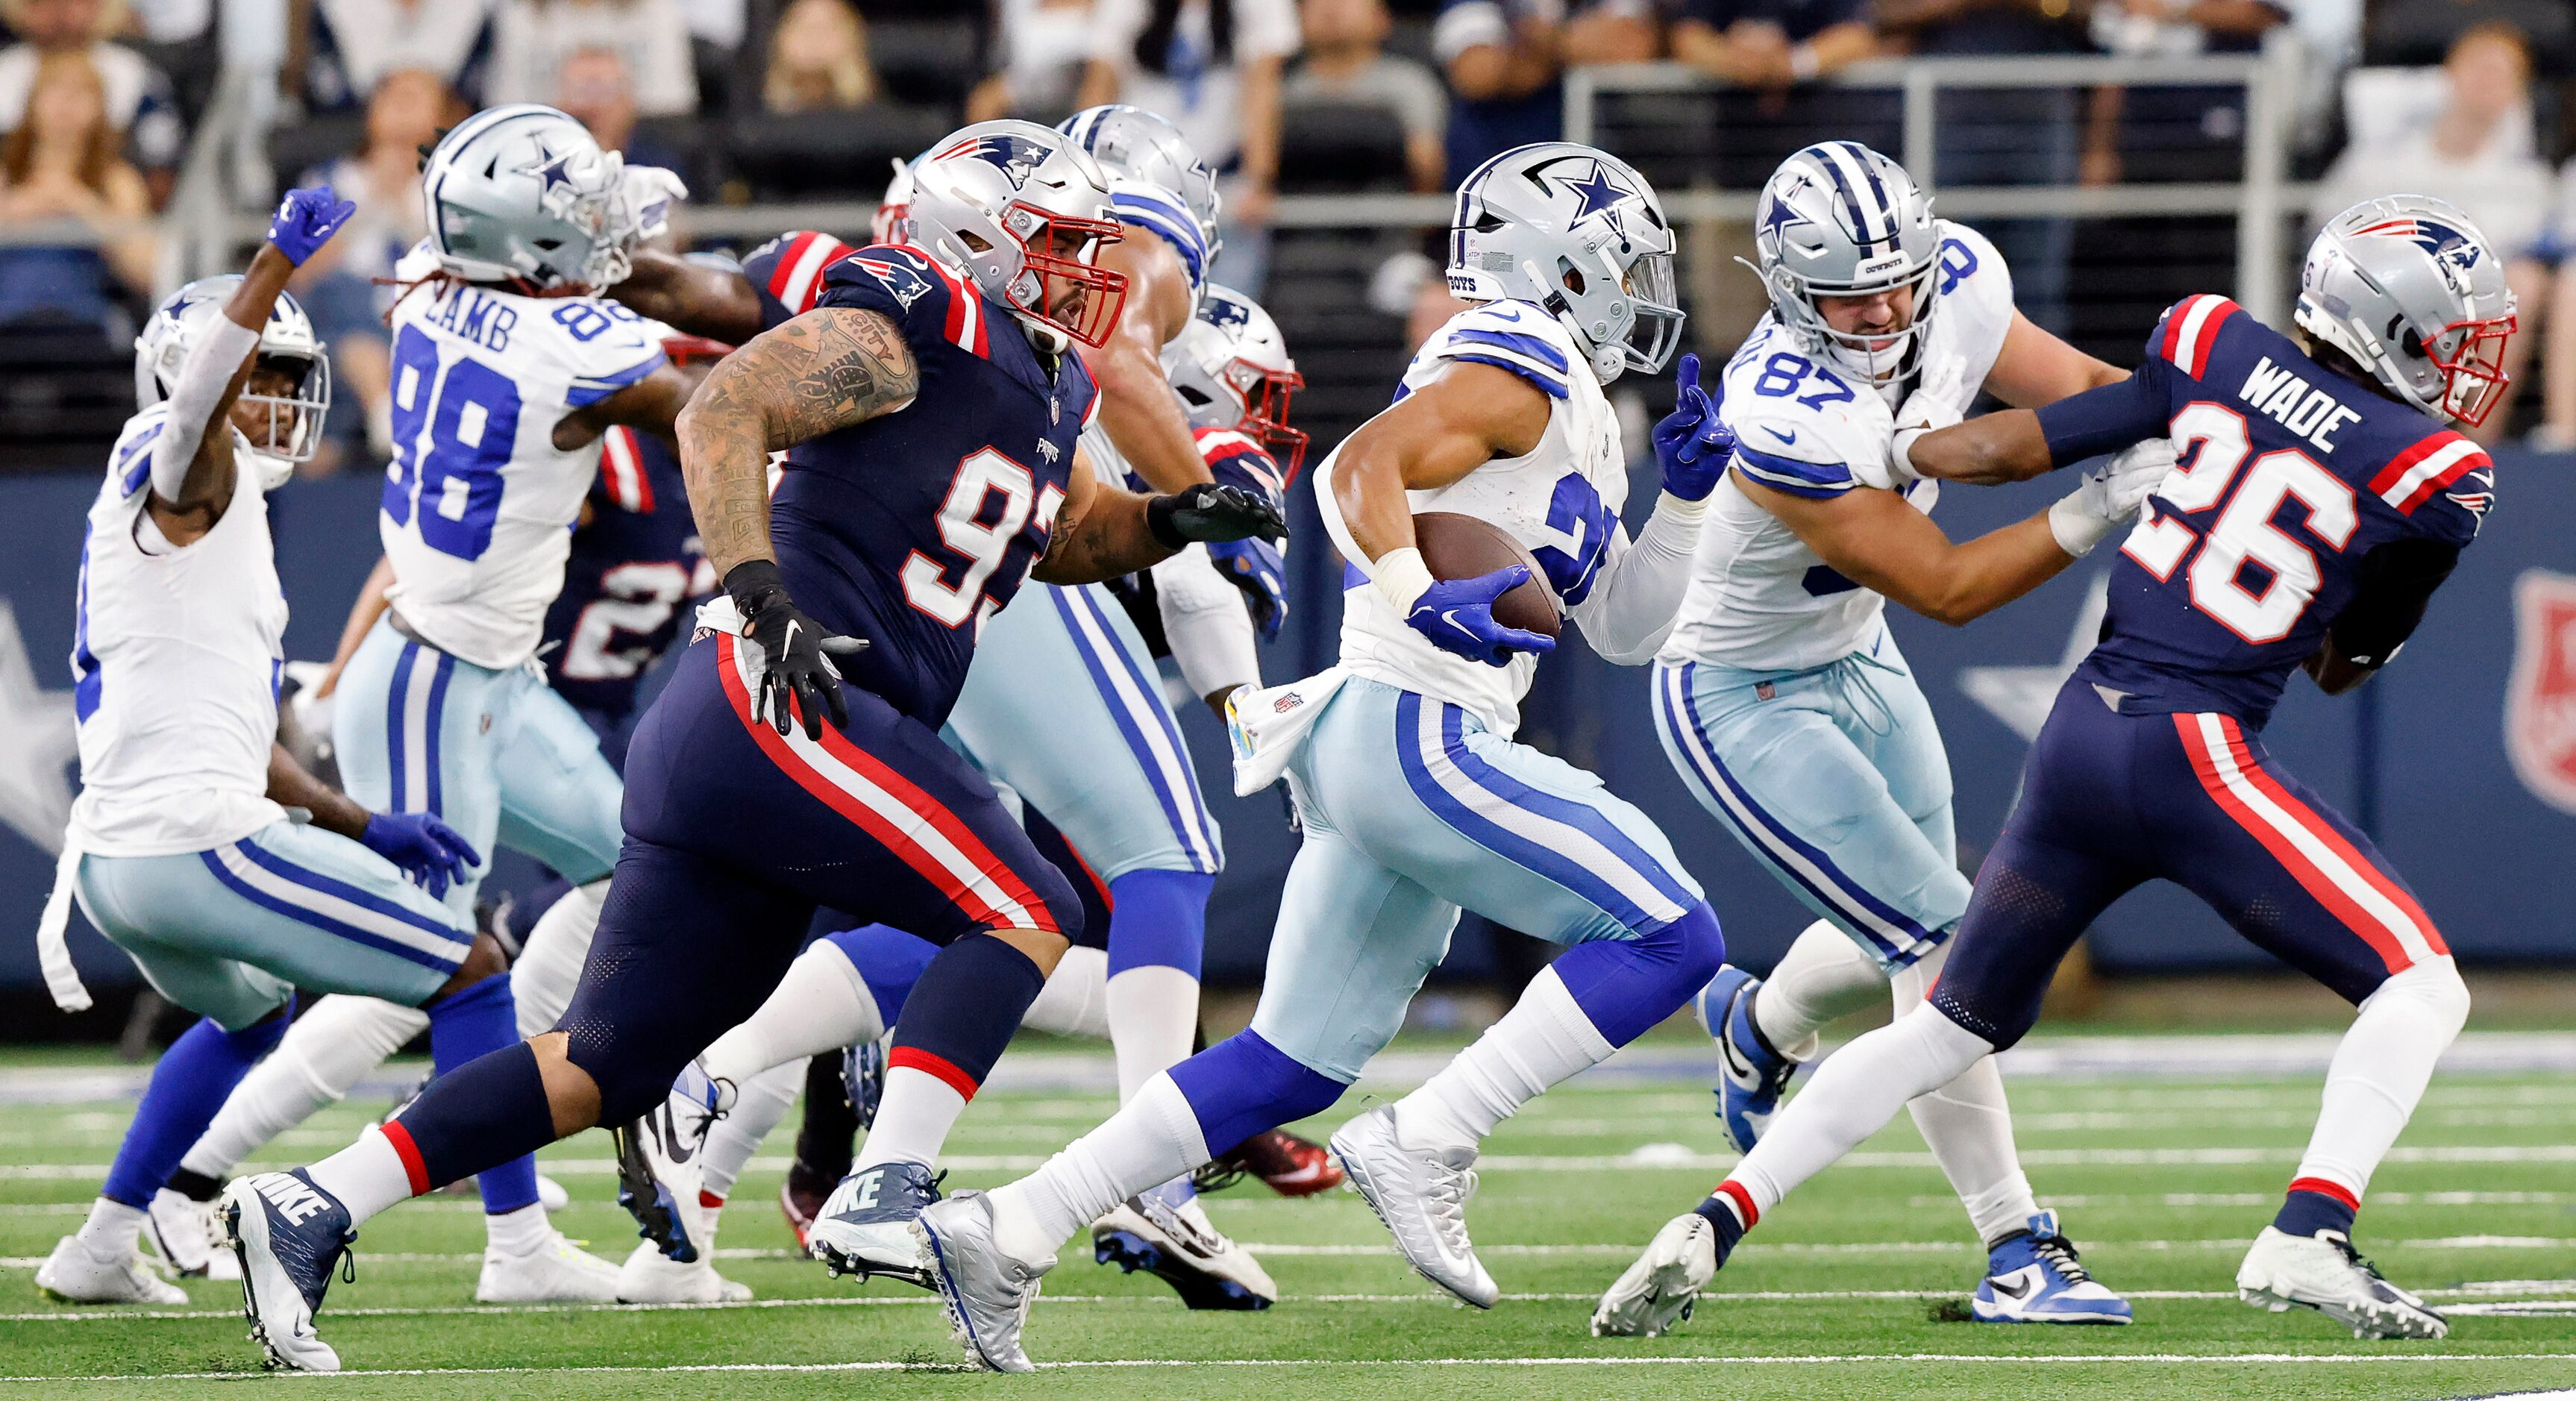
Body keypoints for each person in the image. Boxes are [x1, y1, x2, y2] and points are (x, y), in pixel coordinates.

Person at [223, 119, 1285, 1373]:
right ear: (970, 244)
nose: (1077, 264)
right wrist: (758, 583)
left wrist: (1169, 520)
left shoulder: (1043, 378)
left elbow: (1047, 534)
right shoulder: (913, 323)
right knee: (1026, 902)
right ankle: (885, 1181)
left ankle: (311, 1201)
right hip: (789, 698)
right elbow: (723, 406)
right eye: (1049, 240)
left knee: (605, 1063)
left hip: (764, 734)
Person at [1596, 192, 2506, 1344]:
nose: (2475, 362)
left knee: (1941, 1024)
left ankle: (1712, 1220)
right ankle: (2308, 1229)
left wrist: (1903, 447)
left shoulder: (2211, 342)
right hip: (2198, 754)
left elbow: (1996, 447)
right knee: (2421, 984)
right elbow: (2340, 665)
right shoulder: (2435, 471)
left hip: (2081, 736)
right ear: (2398, 330)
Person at [910, 140, 1733, 1373]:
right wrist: (1409, 588)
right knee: (1674, 932)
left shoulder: (1562, 394)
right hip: (1417, 725)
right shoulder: (1516, 353)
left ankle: (1006, 1226)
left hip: (1382, 740)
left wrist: (1681, 504)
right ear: (1561, 261)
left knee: (1287, 1061)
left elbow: (1621, 627)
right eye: (1625, 259)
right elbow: (1356, 471)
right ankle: (1436, 1129)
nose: (1642, 285)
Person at [1596, 142, 2163, 1337]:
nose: (1887, 310)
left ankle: (1758, 1023)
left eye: (1898, 281)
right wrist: (2097, 504)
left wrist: (2195, 431)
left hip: (1856, 655)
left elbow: (2079, 388)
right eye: (1852, 294)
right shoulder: (1779, 403)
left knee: (1919, 917)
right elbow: (1947, 584)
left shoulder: (1949, 277)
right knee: (1950, 941)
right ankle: (2016, 1242)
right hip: (1740, 690)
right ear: (1789, 289)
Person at [29, 190, 529, 1312]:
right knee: (473, 969)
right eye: (262, 374)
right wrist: (273, 264)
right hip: (192, 842)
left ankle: (104, 1242)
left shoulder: (222, 520)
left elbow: (253, 741)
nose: (278, 399)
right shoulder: (183, 467)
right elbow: (199, 396)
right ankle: (520, 1241)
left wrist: (363, 822)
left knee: (254, 1015)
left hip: (119, 862)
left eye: (285, 378)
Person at [2310, 22, 2552, 444]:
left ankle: (2471, 446)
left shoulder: (2529, 181)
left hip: (2465, 322)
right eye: (2479, 67)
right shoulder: (2378, 160)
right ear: (2448, 74)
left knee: (2523, 284)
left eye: (2503, 74)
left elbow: (2509, 263)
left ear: (2519, 92)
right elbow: (2326, 230)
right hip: (2373, 301)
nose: (2488, 82)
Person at [288, 67, 454, 469]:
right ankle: (379, 424)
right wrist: (368, 202)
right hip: (336, 322)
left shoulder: (450, 192)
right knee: (350, 311)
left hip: (416, 318)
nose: (402, 110)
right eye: (393, 98)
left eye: (415, 99)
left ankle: (375, 430)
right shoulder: (328, 181)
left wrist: (403, 205)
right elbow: (291, 272)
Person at [1079, 0, 1294, 291]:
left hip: (1223, 181)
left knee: (1223, 310)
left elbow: (1263, 85)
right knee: (1134, 299)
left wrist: (1258, 180)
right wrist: (1088, 178)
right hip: (1136, 179)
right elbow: (1100, 84)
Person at [0, 50, 154, 331]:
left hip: (85, 327)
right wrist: (25, 207)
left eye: (80, 94)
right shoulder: (6, 176)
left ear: (101, 108)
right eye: (54, 91)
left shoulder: (117, 181)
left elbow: (147, 272)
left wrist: (80, 204)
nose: (65, 104)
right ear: (32, 103)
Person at [0, 0, 183, 202]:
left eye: (77, 3)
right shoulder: (5, 71)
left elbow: (162, 170)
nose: (61, 14)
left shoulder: (135, 74)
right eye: (43, 3)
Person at [1285, 0, 1447, 192]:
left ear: (1382, 18)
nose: (1330, 8)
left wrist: (1420, 221)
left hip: (1389, 215)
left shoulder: (1411, 85)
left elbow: (1428, 168)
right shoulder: (1279, 92)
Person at [488, 0, 697, 117]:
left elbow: (671, 108)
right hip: (545, 147)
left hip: (637, 148)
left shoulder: (658, 12)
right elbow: (506, 111)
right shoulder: (523, 16)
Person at [297, 0, 498, 113]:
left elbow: (480, 90)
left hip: (450, 134)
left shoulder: (479, 8)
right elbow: (324, 92)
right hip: (355, 131)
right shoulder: (334, 7)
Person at [762, 0, 877, 113]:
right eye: (803, 26)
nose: (815, 38)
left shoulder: (883, 127)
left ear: (853, 39)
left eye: (829, 27)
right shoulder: (752, 125)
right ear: (781, 38)